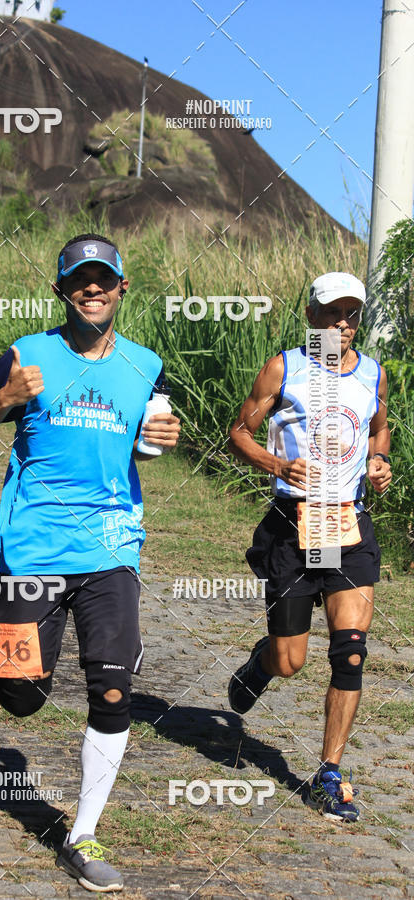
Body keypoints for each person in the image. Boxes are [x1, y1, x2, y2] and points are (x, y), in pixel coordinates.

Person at [0, 233, 180, 892]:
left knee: (114, 688)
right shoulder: (27, 356)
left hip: (111, 549)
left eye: (103, 279)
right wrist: (0, 402)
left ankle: (82, 835)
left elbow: (133, 444)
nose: (92, 289)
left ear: (120, 288)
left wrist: (156, 439)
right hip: (34, 549)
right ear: (61, 290)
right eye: (80, 279)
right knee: (26, 698)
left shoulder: (147, 365)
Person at [226, 272, 391, 823]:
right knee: (291, 659)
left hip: (348, 526)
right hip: (293, 529)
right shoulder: (286, 367)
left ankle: (329, 773)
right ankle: (261, 663)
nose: (342, 324)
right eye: (331, 313)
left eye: (351, 314)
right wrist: (276, 463)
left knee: (349, 651)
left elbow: (378, 431)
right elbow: (240, 432)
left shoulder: (373, 373)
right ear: (311, 315)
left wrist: (377, 462)